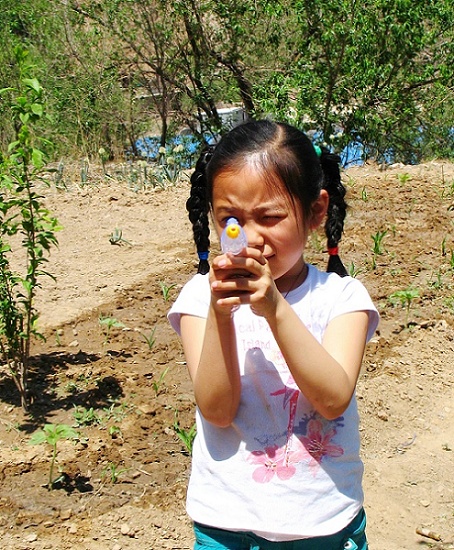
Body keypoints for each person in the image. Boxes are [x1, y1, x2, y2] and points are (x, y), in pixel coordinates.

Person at [168, 119, 379, 550]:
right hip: (225, 525)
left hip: (323, 523)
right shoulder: (198, 297)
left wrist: (275, 309)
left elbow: (332, 398)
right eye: (230, 219)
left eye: (270, 217)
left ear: (316, 212)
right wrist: (221, 313)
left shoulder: (342, 298)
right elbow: (217, 409)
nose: (249, 237)